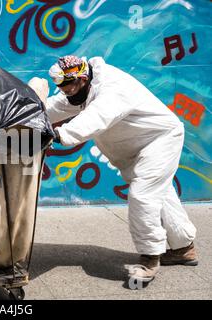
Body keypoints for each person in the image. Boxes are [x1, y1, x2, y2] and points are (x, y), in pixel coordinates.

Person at [28, 55, 198, 286]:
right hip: (134, 146)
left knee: (143, 195)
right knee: (161, 194)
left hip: (159, 140)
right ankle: (183, 248)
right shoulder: (79, 88)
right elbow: (57, 106)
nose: (65, 92)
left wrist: (58, 134)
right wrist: (25, 117)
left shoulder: (113, 87)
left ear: (82, 78)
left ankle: (149, 259)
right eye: (61, 87)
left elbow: (96, 117)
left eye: (68, 87)